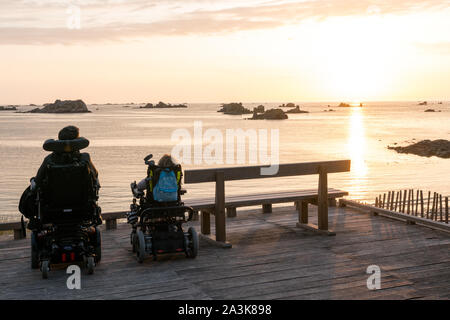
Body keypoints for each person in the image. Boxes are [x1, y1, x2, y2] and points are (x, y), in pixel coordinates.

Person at [33, 125, 99, 189]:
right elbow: (95, 175)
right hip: (81, 198)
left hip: (53, 198)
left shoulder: (49, 159)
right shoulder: (85, 157)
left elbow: (38, 181)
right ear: (77, 142)